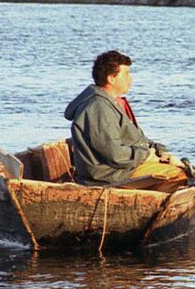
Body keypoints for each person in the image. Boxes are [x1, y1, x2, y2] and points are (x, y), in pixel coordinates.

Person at [64, 50, 188, 192]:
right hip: (107, 176)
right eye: (126, 74)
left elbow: (136, 139)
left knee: (180, 169)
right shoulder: (99, 108)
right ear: (111, 78)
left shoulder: (110, 103)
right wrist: (147, 156)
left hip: (121, 169)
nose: (131, 79)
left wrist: (161, 152)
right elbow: (114, 154)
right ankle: (151, 212)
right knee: (177, 176)